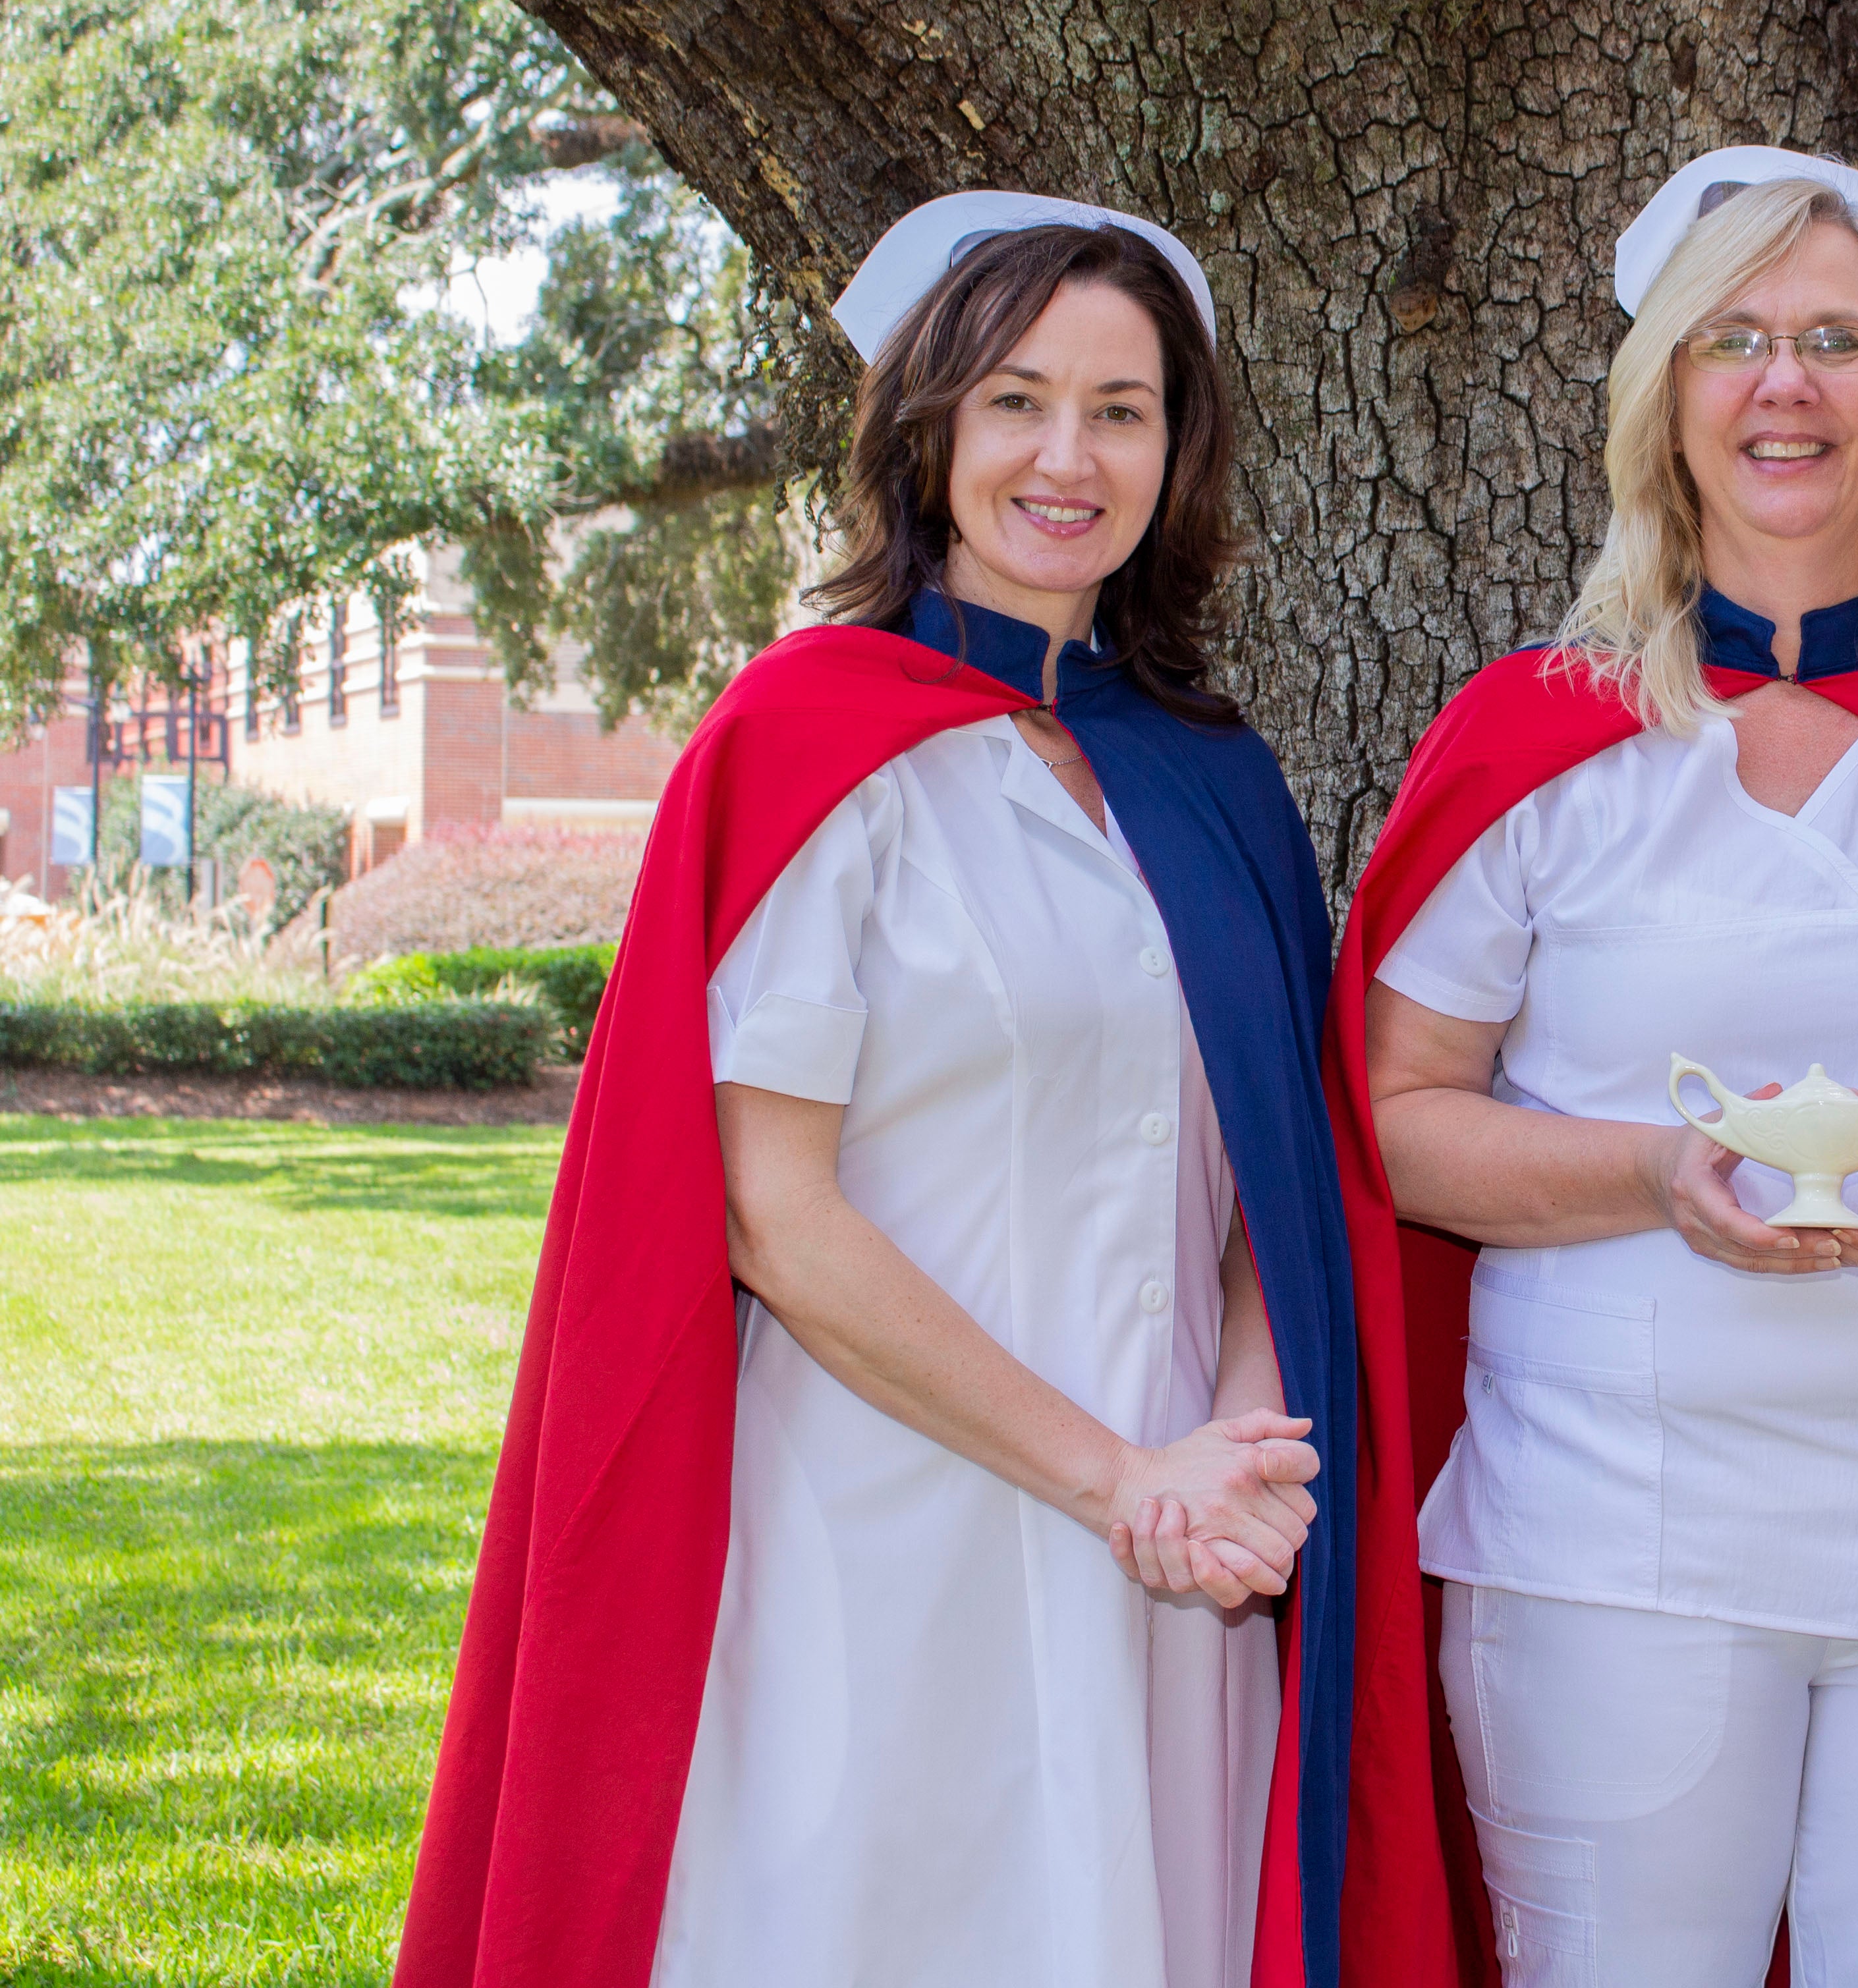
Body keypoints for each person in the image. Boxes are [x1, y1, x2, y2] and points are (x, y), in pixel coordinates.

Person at [391, 192, 1445, 1988]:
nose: (1069, 455)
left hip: (1176, 1550)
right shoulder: (811, 749)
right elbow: (770, 1213)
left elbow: (1274, 1173)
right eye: (1018, 399)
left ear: (1175, 453)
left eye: (1123, 409)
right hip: (886, 1529)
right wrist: (1115, 1477)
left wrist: (1243, 1470)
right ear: (928, 428)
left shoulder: (1213, 786)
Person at [1322, 148, 1858, 1988]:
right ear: (1665, 404)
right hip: (1604, 1547)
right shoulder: (1530, 746)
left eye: (1838, 342)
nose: (1785, 384)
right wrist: (1649, 1175)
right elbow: (1395, 1124)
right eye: (1734, 340)